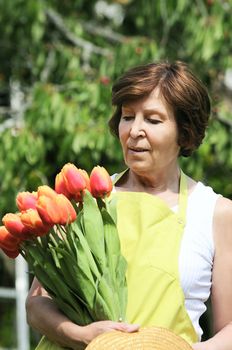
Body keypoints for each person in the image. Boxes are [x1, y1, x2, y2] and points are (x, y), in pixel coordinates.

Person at [26, 61, 232, 350]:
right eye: (127, 117)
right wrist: (81, 336)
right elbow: (36, 304)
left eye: (153, 120)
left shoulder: (215, 213)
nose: (135, 130)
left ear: (184, 132)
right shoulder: (87, 199)